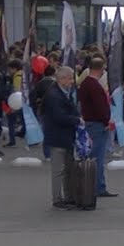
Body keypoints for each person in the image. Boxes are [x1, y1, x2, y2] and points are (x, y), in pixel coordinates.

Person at [42, 66, 82, 210]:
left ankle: (68, 196)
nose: (72, 81)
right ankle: (57, 199)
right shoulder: (54, 95)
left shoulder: (63, 92)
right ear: (62, 79)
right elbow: (58, 117)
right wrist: (76, 120)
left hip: (66, 137)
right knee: (58, 170)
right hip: (57, 136)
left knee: (67, 169)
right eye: (70, 78)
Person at [77, 57, 117, 198]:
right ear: (101, 69)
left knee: (92, 155)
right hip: (97, 124)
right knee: (98, 157)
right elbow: (100, 107)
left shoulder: (85, 84)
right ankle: (98, 187)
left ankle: (92, 185)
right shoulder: (94, 86)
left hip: (90, 121)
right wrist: (106, 121)